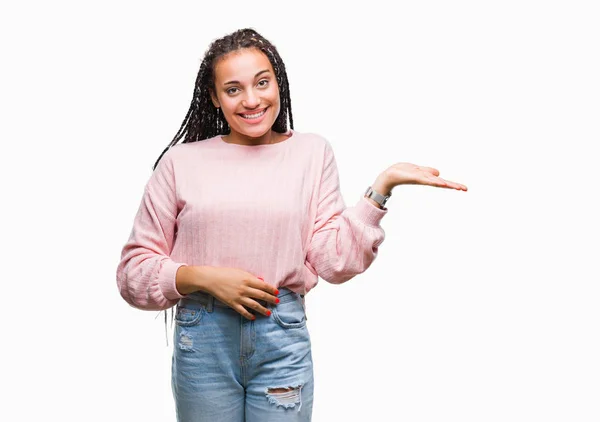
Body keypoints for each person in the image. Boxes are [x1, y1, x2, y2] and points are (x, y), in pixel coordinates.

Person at [116, 28, 467, 422]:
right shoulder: (181, 163)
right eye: (233, 89)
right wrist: (204, 278)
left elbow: (332, 261)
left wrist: (380, 190)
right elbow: (134, 272)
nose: (252, 100)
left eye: (262, 83)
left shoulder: (312, 152)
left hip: (280, 333)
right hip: (203, 336)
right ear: (214, 97)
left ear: (277, 83)